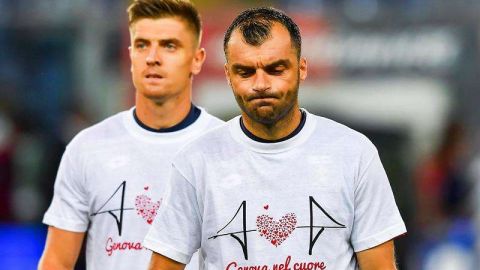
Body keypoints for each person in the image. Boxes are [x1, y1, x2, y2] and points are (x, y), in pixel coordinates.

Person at [144, 7, 407, 270]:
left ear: (302, 68)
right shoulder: (196, 161)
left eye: (275, 69)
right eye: (245, 72)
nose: (260, 84)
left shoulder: (354, 153)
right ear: (228, 76)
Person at [37, 0, 223, 269]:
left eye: (169, 45)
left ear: (197, 60)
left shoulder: (225, 146)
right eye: (142, 45)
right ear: (130, 55)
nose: (153, 57)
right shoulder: (88, 148)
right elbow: (56, 261)